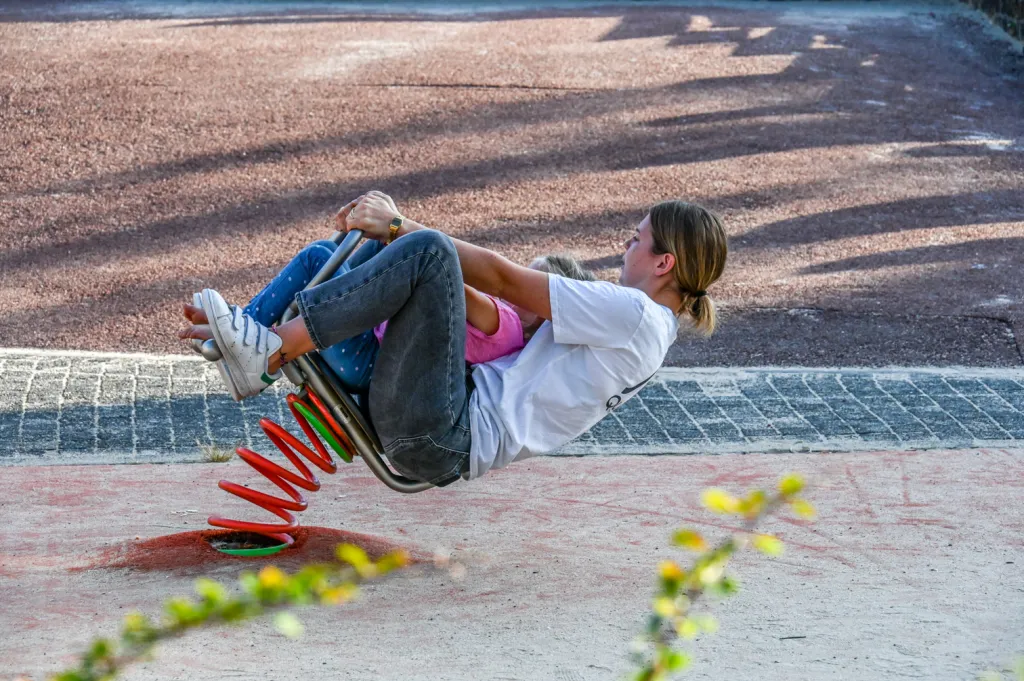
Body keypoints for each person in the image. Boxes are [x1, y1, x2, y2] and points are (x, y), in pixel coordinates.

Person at [178, 190, 727, 486]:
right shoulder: (648, 332)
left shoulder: (636, 315)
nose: (625, 248)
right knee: (360, 257)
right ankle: (251, 338)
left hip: (445, 428)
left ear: (664, 263)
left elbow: (503, 279)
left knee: (430, 250)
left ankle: (272, 350)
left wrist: (398, 226)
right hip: (441, 428)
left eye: (635, 240)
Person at [182, 246, 595, 399]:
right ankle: (240, 334)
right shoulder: (508, 329)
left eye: (529, 285)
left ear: (543, 313)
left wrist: (403, 236)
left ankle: (245, 336)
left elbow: (446, 273)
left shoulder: (505, 324)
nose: (516, 285)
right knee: (338, 254)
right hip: (371, 358)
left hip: (368, 361)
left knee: (319, 259)